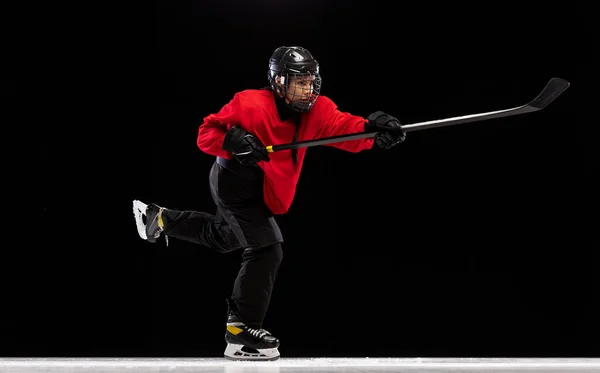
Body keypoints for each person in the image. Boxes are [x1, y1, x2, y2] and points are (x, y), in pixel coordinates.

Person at [132, 45, 406, 361]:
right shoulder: (249, 104)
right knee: (266, 248)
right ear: (278, 82)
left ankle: (160, 219)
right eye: (298, 82)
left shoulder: (318, 110)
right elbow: (206, 133)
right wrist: (231, 141)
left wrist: (373, 130)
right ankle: (240, 332)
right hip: (235, 181)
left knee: (224, 237)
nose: (307, 88)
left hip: (264, 189)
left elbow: (344, 129)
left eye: (310, 80)